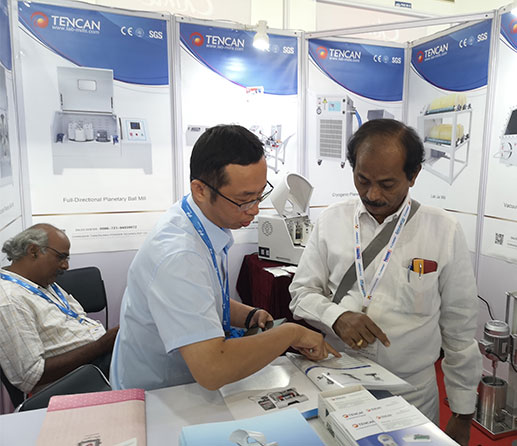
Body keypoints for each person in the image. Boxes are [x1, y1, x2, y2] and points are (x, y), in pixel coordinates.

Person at [289, 119, 481, 446]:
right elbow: (300, 293)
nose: (372, 194)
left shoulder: (443, 231)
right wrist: (336, 316)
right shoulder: (332, 220)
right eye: (362, 180)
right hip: (337, 383)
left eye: (387, 184)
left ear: (413, 175)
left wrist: (463, 414)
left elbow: (459, 328)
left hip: (411, 393)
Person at [111, 124, 338, 392]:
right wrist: (291, 333)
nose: (254, 210)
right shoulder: (179, 256)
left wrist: (247, 315)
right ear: (200, 190)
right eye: (244, 199)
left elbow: (199, 296)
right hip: (159, 393)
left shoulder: (197, 218)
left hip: (180, 384)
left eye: (260, 195)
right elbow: (212, 369)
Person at [0, 224, 118, 395]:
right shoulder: (9, 300)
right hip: (76, 380)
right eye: (61, 257)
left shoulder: (42, 282)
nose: (66, 266)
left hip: (95, 361)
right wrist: (101, 345)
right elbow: (32, 376)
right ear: (33, 251)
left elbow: (76, 317)